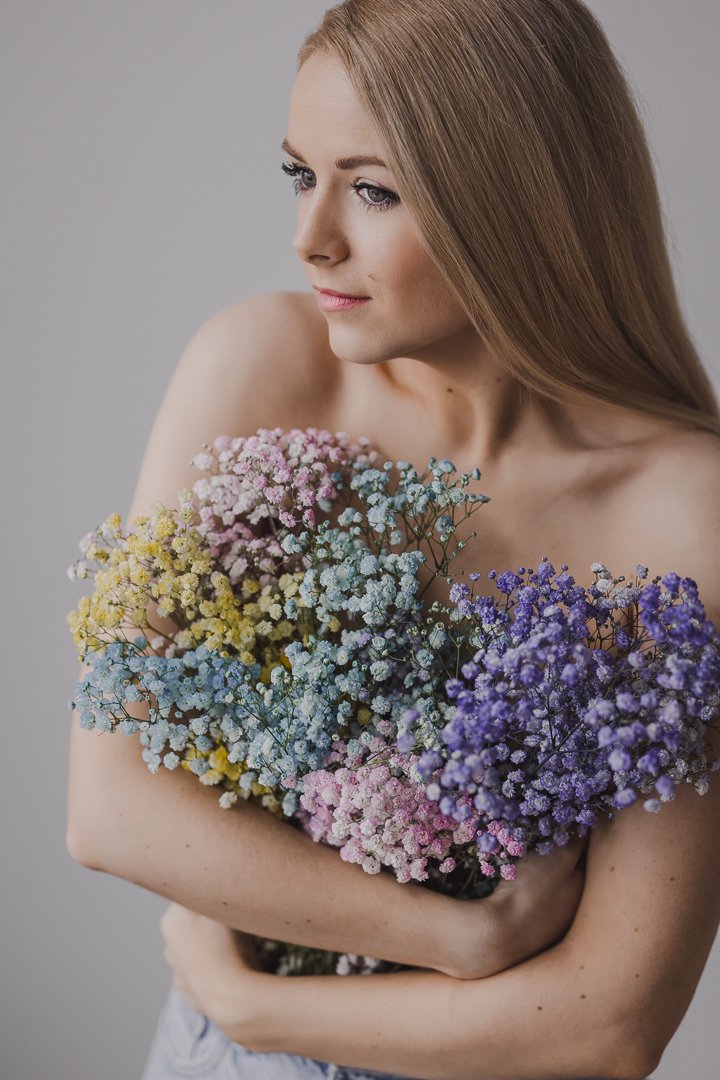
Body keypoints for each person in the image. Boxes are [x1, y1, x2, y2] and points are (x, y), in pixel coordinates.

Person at [66, 1, 720, 1078]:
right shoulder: (264, 369)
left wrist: (253, 1003)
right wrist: (461, 937)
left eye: (372, 190)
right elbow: (112, 810)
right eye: (300, 174)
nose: (310, 235)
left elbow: (611, 1027)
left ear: (517, 203)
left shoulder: (683, 514)